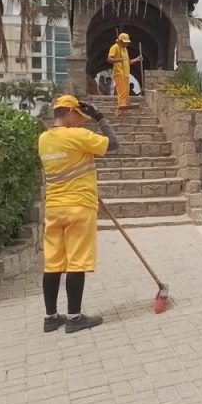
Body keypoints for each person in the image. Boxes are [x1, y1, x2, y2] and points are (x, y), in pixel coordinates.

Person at [37, 95, 119, 333]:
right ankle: (74, 318)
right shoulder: (78, 135)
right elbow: (114, 144)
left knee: (52, 263)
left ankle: (51, 317)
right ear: (70, 113)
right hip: (79, 207)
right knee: (77, 261)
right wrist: (99, 117)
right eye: (79, 116)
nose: (82, 121)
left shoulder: (43, 139)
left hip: (54, 208)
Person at [107, 33, 143, 117]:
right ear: (120, 41)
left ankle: (123, 109)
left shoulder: (125, 49)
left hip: (126, 74)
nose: (126, 44)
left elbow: (127, 62)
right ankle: (120, 111)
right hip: (119, 73)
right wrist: (118, 60)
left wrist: (137, 59)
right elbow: (109, 59)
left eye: (127, 42)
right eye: (124, 42)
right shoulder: (115, 47)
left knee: (126, 93)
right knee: (122, 92)